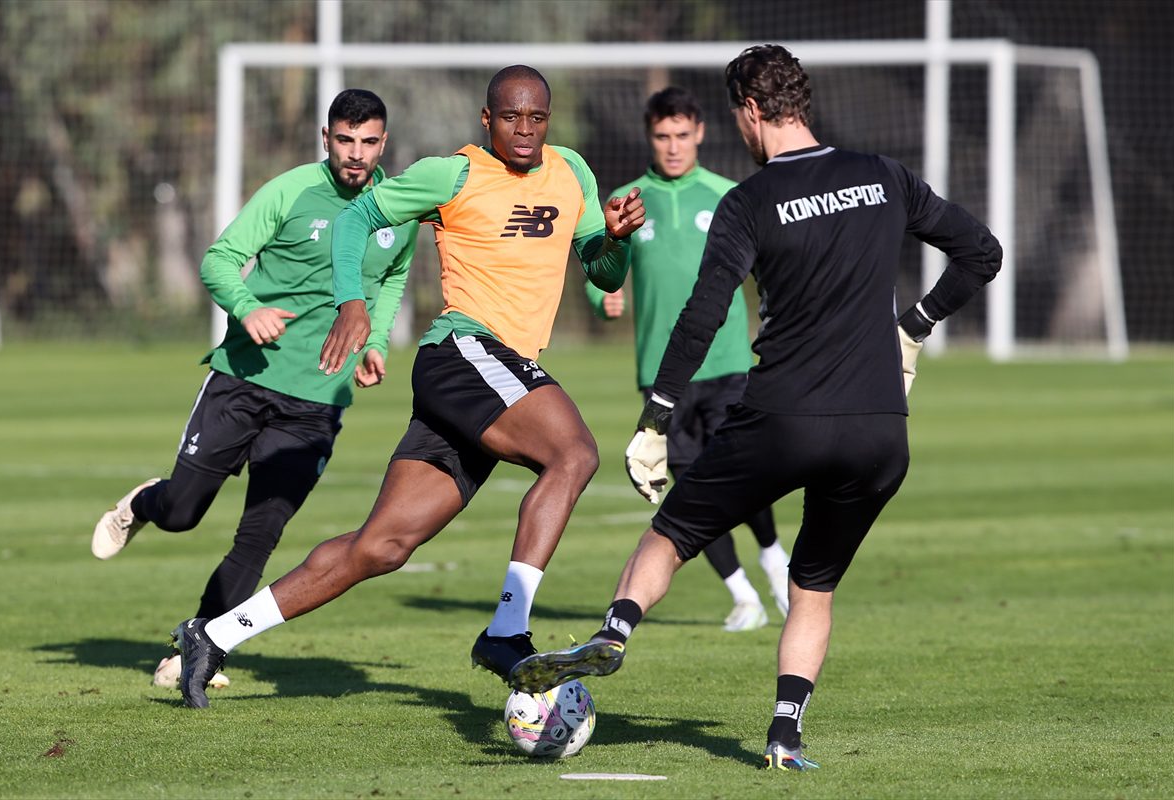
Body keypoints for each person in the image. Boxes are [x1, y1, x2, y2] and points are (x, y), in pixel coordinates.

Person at [510, 44, 1001, 772]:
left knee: (670, 533)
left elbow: (704, 314)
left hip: (781, 420)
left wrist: (656, 418)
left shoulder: (749, 201)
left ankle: (614, 632)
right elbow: (981, 253)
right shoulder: (883, 176)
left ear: (749, 110)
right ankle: (784, 735)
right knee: (814, 587)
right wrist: (916, 326)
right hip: (878, 433)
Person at [169, 65, 646, 709]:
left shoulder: (573, 171)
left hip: (491, 376)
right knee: (575, 453)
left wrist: (617, 240)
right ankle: (508, 631)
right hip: (463, 352)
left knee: (382, 546)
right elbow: (351, 223)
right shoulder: (452, 173)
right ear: (487, 120)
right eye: (511, 118)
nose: (525, 131)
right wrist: (352, 303)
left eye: (536, 119)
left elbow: (604, 274)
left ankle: (213, 635)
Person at [91, 89, 416, 690]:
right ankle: (143, 504)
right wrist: (248, 307)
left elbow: (389, 283)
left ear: (383, 144)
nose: (356, 154)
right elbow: (219, 259)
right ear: (326, 139)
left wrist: (374, 343)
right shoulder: (290, 191)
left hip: (317, 404)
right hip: (243, 380)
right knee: (183, 513)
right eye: (344, 141)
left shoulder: (397, 208)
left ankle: (201, 646)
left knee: (259, 536)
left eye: (368, 142)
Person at [585, 86, 789, 633]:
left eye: (681, 135)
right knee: (691, 488)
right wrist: (602, 300)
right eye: (661, 136)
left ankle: (773, 557)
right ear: (648, 137)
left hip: (725, 365)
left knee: (739, 475)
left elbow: (770, 270)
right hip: (661, 373)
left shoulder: (729, 195)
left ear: (698, 133)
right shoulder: (627, 200)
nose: (672, 146)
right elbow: (598, 269)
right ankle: (742, 595)